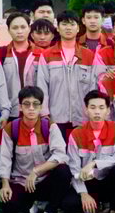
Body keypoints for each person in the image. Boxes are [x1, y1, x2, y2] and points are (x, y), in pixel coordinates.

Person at [0, 86, 71, 213]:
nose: (31, 108)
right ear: (20, 107)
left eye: (35, 104)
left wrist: (36, 171)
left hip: (45, 180)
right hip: (23, 182)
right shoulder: (11, 128)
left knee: (63, 171)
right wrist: (5, 184)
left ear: (41, 107)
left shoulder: (49, 126)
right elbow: (5, 158)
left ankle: (50, 211)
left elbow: (60, 154)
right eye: (26, 104)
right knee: (8, 204)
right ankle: (32, 205)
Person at [68, 89, 115, 213]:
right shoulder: (76, 134)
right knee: (69, 204)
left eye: (101, 108)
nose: (97, 112)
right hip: (88, 183)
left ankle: (114, 212)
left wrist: (94, 163)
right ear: (86, 110)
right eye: (93, 107)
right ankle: (92, 211)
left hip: (109, 182)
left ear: (108, 111)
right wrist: (83, 194)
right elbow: (73, 168)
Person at [44, 12, 110, 140]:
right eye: (64, 24)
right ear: (58, 28)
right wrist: (44, 113)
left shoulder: (89, 55)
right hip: (55, 117)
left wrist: (93, 111)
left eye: (72, 24)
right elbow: (42, 86)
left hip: (83, 117)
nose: (68, 28)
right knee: (58, 150)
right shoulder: (47, 55)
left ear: (78, 28)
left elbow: (95, 87)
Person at [0, 13, 47, 117]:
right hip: (11, 112)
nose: (19, 31)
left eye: (23, 27)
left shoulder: (42, 54)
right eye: (15, 28)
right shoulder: (2, 53)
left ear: (29, 28)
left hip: (35, 111)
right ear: (8, 30)